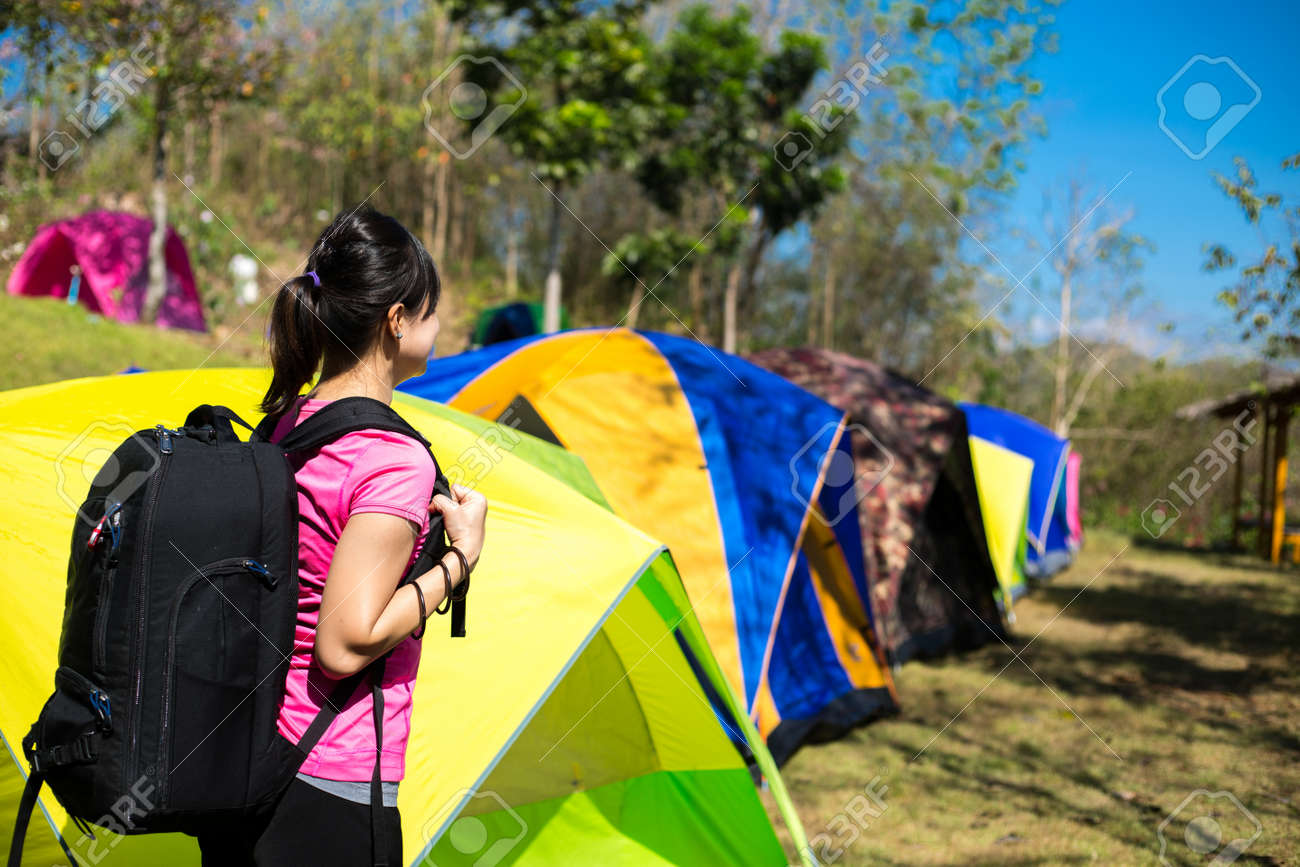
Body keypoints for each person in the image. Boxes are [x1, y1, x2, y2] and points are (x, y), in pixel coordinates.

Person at [195, 205, 487, 865]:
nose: (440, 328)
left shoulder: (284, 425)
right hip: (328, 783)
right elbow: (346, 641)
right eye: (431, 310)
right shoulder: (391, 458)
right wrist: (460, 558)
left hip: (247, 759)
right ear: (396, 320)